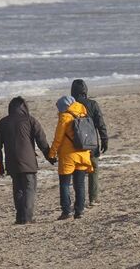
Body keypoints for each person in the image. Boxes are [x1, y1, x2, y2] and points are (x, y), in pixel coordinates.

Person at [0, 97, 52, 225]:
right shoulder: (30, 120)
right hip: (28, 162)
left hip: (11, 162)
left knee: (18, 189)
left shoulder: (3, 122)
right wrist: (50, 156)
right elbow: (42, 141)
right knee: (29, 189)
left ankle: (20, 217)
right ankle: (27, 217)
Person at [49, 96, 94, 220]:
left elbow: (58, 138)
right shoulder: (83, 113)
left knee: (64, 184)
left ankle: (66, 211)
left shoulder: (65, 117)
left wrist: (52, 154)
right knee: (79, 184)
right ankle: (79, 211)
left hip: (68, 156)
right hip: (83, 153)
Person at [71, 79, 109, 207]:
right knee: (94, 169)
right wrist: (104, 139)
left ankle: (79, 200)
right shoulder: (93, 104)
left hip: (76, 145)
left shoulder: (70, 106)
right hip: (91, 144)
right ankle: (93, 198)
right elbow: (100, 124)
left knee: (78, 172)